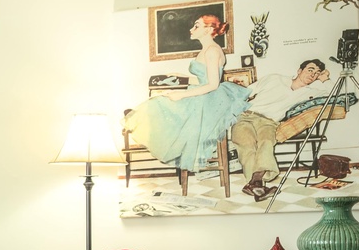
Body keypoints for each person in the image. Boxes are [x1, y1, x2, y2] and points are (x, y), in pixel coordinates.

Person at [124, 14, 251, 177]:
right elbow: (202, 79)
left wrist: (182, 95)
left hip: (210, 100)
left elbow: (213, 84)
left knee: (161, 105)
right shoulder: (206, 49)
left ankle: (138, 119)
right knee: (161, 102)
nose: (191, 29)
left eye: (196, 26)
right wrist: (179, 76)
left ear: (209, 29)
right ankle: (140, 120)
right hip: (202, 95)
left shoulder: (212, 50)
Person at [230, 59, 331, 200]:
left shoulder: (310, 92)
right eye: (310, 69)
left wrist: (324, 79)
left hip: (269, 123)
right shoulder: (275, 79)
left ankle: (254, 183)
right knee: (246, 143)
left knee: (266, 142)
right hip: (245, 116)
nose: (313, 74)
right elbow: (246, 92)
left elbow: (334, 92)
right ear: (299, 71)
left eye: (317, 73)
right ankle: (257, 185)